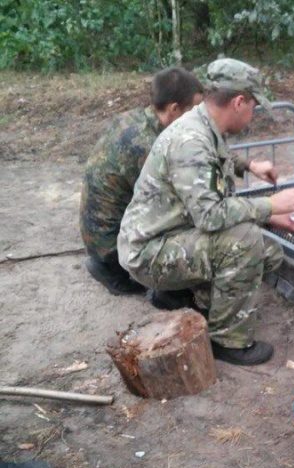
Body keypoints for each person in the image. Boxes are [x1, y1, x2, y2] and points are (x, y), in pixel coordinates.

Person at [117, 58, 294, 366]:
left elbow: (214, 167)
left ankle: (185, 297)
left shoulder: (202, 122)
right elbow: (210, 216)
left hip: (172, 233)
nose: (252, 115)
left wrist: (254, 177)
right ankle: (228, 340)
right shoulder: (190, 141)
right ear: (238, 102)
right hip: (149, 252)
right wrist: (270, 205)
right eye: (253, 107)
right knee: (245, 242)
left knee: (268, 252)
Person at [80, 67, 204, 296]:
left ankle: (109, 264)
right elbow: (182, 197)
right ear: (174, 109)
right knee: (183, 220)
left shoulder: (133, 118)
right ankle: (128, 278)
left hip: (98, 232)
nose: (198, 117)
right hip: (112, 243)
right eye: (194, 110)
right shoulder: (147, 146)